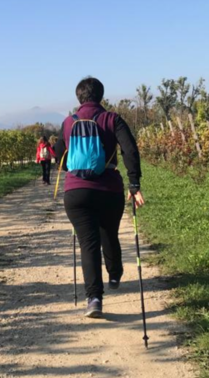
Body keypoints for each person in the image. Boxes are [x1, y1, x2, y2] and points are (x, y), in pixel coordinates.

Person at [54, 77, 144, 318]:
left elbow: (59, 158)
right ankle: (114, 274)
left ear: (78, 97)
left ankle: (94, 299)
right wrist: (134, 183)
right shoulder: (112, 119)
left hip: (76, 192)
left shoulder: (67, 123)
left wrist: (77, 171)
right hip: (109, 189)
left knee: (88, 244)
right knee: (109, 234)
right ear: (101, 96)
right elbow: (130, 150)